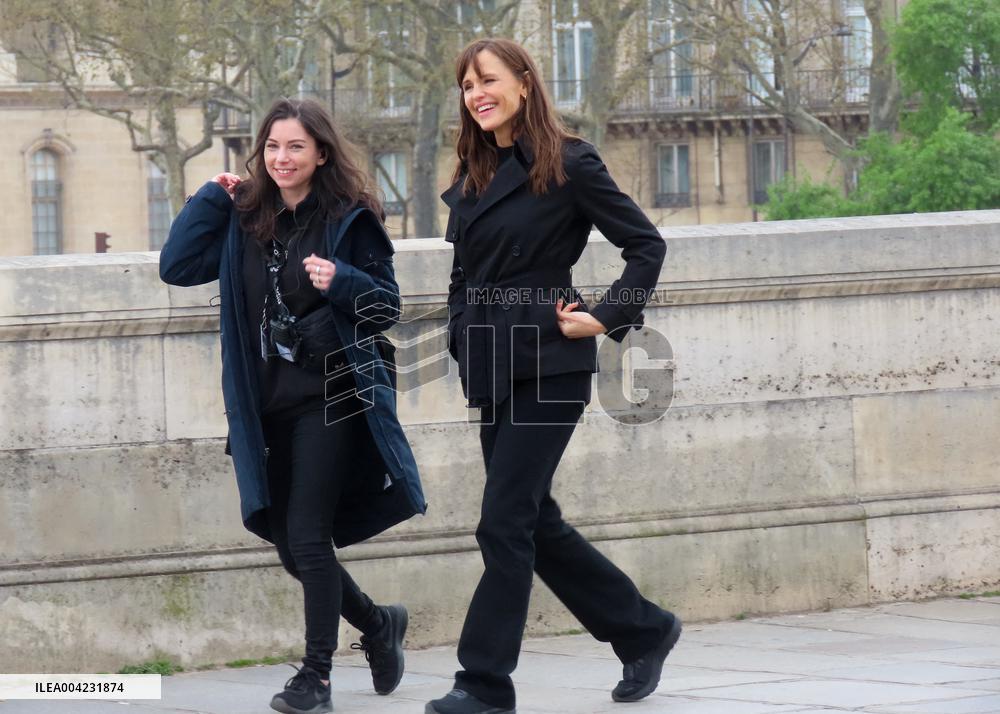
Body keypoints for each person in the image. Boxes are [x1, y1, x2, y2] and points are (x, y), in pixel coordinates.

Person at [425, 39, 681, 714]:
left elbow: (645, 245)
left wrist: (604, 318)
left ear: (524, 84)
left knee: (502, 523)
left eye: (489, 80)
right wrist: (459, 334)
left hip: (550, 360)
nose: (477, 93)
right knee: (534, 522)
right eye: (467, 85)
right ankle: (644, 630)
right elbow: (462, 278)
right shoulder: (475, 173)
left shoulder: (569, 160)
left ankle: (483, 684)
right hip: (490, 360)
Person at [159, 98, 426, 714]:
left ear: (321, 154)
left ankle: (317, 677)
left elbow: (388, 305)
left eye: (296, 147)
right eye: (272, 147)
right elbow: (176, 267)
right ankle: (379, 622)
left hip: (330, 399)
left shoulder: (349, 219)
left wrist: (344, 281)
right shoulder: (244, 218)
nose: (281, 158)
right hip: (264, 406)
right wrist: (210, 197)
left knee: (307, 537)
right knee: (288, 543)